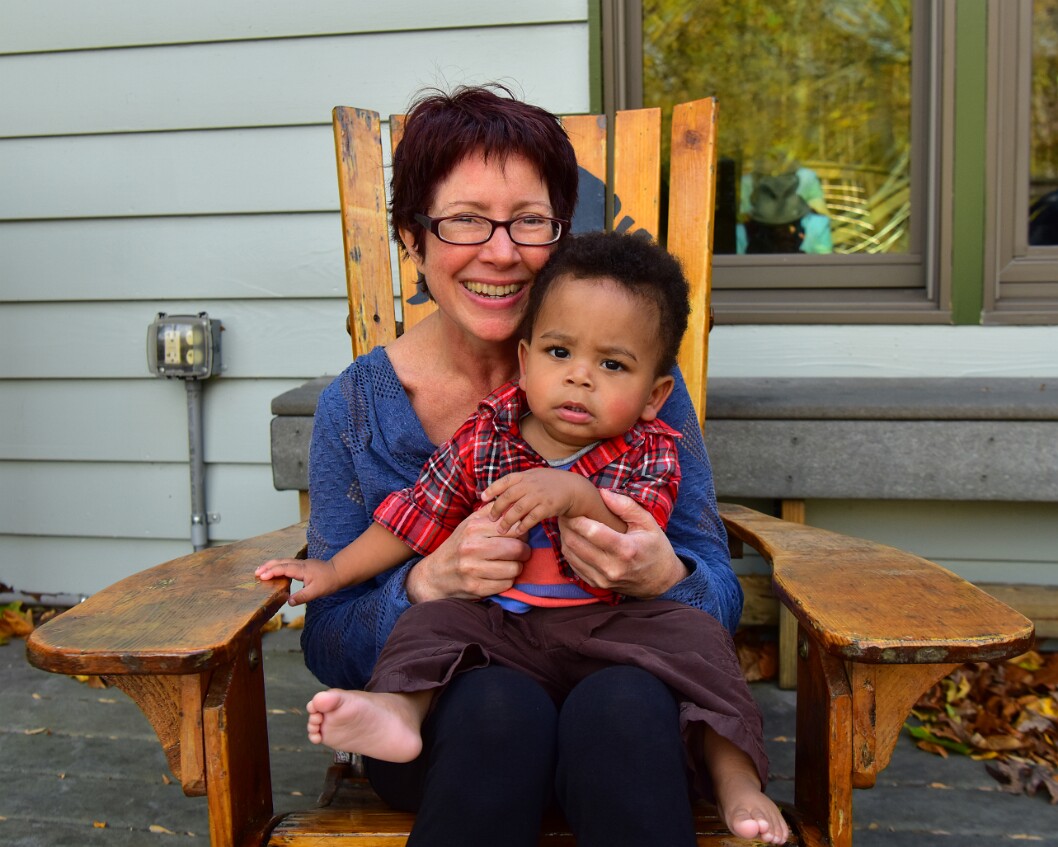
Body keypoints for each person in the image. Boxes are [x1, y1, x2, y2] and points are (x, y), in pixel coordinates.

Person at [289, 83, 779, 847]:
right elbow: (328, 642)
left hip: (623, 712)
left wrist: (665, 577)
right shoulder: (356, 407)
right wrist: (425, 584)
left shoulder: (639, 390)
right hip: (457, 730)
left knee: (622, 704)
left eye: (530, 220)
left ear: (561, 234)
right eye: (463, 220)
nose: (502, 250)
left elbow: (714, 599)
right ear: (412, 241)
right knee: (499, 709)